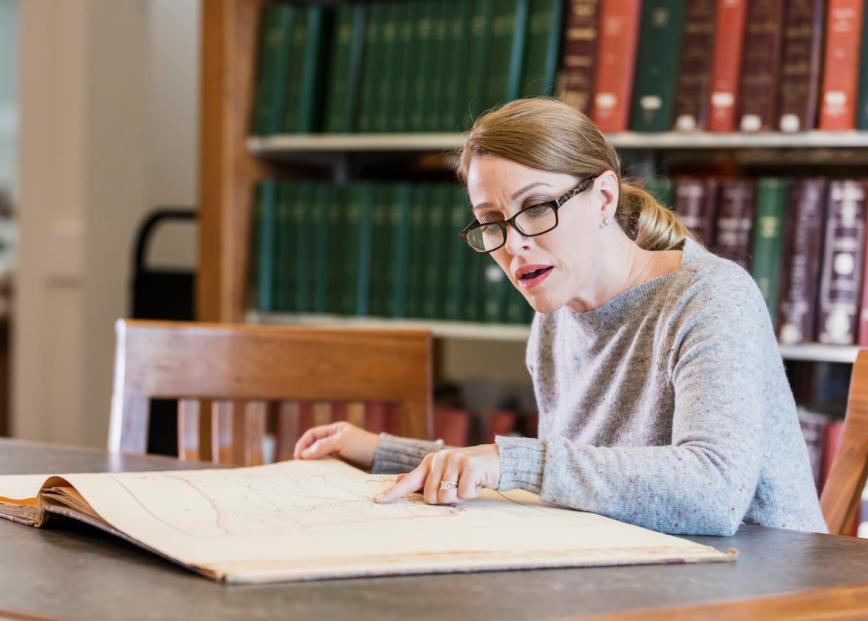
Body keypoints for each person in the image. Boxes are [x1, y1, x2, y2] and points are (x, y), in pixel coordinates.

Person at [294, 98, 826, 536]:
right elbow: (579, 475)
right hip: (646, 575)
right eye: (492, 222)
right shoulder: (555, 318)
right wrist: (383, 452)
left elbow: (712, 494)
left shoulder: (710, 297)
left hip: (762, 587)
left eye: (536, 207)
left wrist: (515, 463)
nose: (516, 245)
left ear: (603, 197)